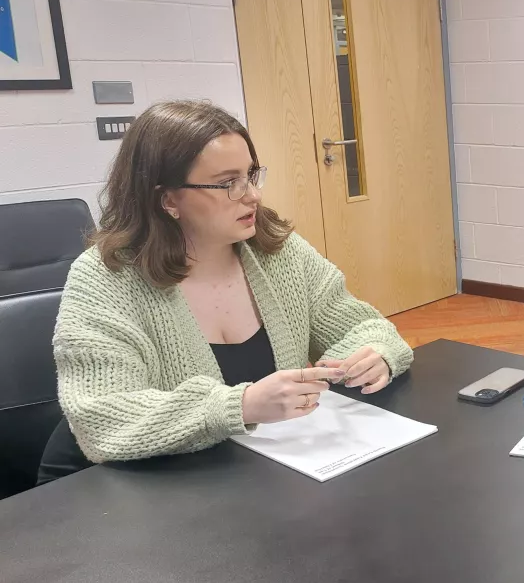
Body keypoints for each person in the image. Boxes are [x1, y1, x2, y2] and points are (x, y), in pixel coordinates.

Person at [41, 100, 413, 481]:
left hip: (231, 478)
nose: (252, 195)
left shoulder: (276, 251)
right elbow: (102, 417)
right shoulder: (106, 277)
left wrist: (376, 354)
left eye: (252, 175)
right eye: (227, 184)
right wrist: (242, 405)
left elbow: (363, 326)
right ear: (166, 198)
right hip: (109, 489)